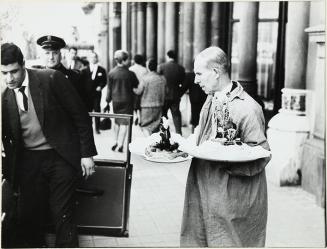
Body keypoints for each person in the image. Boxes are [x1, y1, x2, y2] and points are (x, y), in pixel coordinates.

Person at [1, 43, 97, 247]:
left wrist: (86, 154)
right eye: (4, 73)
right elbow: (7, 139)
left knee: (62, 214)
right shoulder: (5, 98)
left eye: (14, 71)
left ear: (24, 65)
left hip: (60, 156)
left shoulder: (51, 79)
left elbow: (80, 116)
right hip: (29, 162)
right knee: (30, 217)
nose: (10, 78)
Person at [177, 46, 271, 247]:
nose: (195, 80)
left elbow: (262, 154)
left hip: (231, 199)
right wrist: (181, 145)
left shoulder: (248, 107)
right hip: (202, 189)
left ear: (216, 72)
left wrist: (225, 160)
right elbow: (202, 136)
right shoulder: (211, 99)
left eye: (199, 74)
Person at [36, 35, 87, 107]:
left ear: (60, 55)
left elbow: (80, 107)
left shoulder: (74, 77)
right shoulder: (36, 77)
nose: (51, 57)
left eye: (55, 53)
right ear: (42, 56)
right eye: (47, 53)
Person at [106, 50, 138, 152]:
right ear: (124, 60)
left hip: (116, 101)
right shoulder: (130, 74)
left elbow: (109, 89)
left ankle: (115, 141)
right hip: (127, 100)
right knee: (125, 123)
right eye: (127, 59)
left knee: (116, 122)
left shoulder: (111, 72)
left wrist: (107, 100)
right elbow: (136, 86)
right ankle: (120, 144)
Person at [133, 58, 166, 136]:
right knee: (156, 127)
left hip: (146, 106)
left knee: (145, 126)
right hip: (159, 105)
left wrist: (132, 89)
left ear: (148, 67)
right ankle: (153, 144)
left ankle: (149, 144)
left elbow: (139, 91)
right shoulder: (162, 78)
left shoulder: (145, 78)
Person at [158, 50, 185, 135]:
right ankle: (178, 133)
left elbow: (159, 81)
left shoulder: (161, 67)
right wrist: (179, 93)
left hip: (164, 95)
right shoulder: (180, 68)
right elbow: (183, 82)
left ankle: (165, 134)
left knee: (163, 115)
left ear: (167, 56)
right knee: (176, 115)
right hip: (176, 95)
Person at [81, 51, 107, 133]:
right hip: (87, 95)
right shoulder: (84, 70)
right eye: (91, 57)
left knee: (97, 110)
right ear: (89, 59)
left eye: (94, 57)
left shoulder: (101, 70)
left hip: (96, 94)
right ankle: (88, 127)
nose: (93, 59)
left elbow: (104, 81)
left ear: (97, 58)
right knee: (87, 111)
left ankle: (97, 128)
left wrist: (101, 86)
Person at [129, 54, 147, 125]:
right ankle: (141, 119)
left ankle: (135, 115)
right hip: (142, 89)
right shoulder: (145, 70)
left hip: (133, 89)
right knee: (141, 104)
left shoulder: (131, 69)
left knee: (133, 104)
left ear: (134, 60)